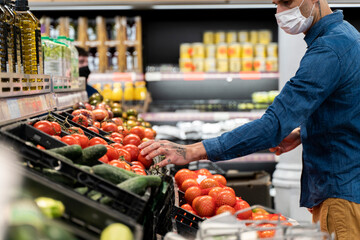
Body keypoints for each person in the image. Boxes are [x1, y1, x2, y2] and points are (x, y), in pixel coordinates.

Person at [139, 0, 360, 238]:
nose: (280, 13)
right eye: (277, 4)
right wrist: (303, 133)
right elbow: (347, 109)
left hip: (341, 193)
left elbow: (272, 125)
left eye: (287, 2)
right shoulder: (347, 35)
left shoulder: (328, 50)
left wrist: (193, 151)